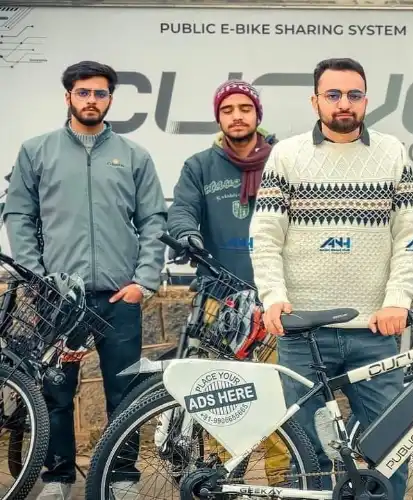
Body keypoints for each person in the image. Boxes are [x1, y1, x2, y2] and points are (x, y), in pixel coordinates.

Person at [250, 57, 413, 499]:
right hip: (302, 332)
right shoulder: (286, 156)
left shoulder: (392, 152)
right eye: (333, 94)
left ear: (366, 100)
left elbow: (409, 237)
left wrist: (399, 300)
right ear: (315, 100)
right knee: (305, 453)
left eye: (354, 94)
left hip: (374, 330)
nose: (344, 103)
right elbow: (265, 236)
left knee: (393, 446)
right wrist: (273, 297)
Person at [3, 60, 167, 500]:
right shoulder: (37, 151)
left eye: (99, 93)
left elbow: (154, 220)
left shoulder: (134, 156)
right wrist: (38, 278)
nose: (91, 100)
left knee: (125, 392)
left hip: (120, 297)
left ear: (110, 98)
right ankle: (57, 479)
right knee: (55, 392)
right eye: (83, 93)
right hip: (60, 300)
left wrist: (143, 281)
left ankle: (123, 478)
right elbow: (19, 214)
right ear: (68, 97)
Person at [166, 78, 290, 485]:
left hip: (275, 298)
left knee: (277, 393)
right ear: (218, 117)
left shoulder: (284, 160)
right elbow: (181, 210)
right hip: (220, 298)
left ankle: (284, 479)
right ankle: (223, 479)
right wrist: (187, 235)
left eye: (244, 109)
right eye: (227, 110)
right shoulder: (200, 165)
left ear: (257, 115)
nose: (237, 116)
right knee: (223, 395)